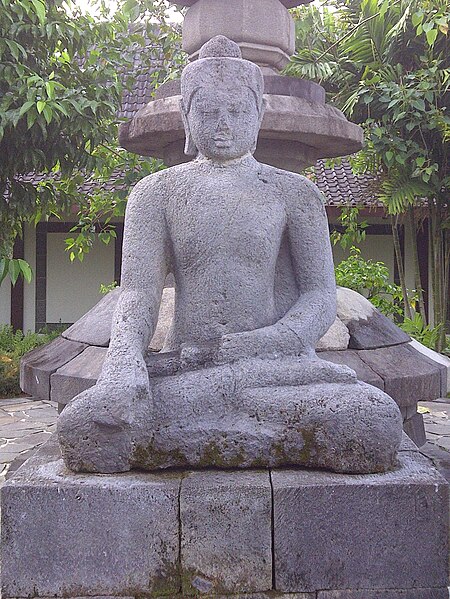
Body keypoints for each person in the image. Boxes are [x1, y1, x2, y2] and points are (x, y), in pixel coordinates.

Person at [58, 36, 402, 474]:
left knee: (368, 418)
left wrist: (269, 342)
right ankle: (242, 427)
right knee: (87, 428)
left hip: (275, 368)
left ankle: (212, 426)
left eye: (237, 111)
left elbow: (320, 295)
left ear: (259, 112)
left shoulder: (294, 193)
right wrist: (123, 364)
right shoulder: (156, 194)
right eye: (207, 111)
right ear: (186, 115)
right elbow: (138, 294)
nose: (222, 124)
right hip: (185, 365)